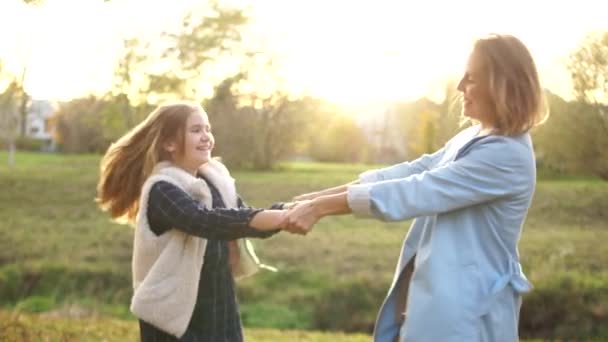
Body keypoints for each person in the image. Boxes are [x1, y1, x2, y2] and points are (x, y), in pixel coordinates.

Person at [284, 34, 548, 341]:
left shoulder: (505, 154)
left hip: (468, 313)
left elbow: (416, 190)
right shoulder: (473, 136)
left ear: (502, 85)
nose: (460, 87)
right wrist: (317, 197)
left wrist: (320, 208)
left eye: (471, 78)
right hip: (434, 299)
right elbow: (414, 170)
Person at [96, 102, 294, 341]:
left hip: (218, 308)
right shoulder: (162, 189)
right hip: (172, 320)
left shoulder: (216, 181)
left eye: (208, 129)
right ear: (169, 143)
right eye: (196, 130)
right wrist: (281, 216)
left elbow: (244, 220)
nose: (206, 137)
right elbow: (203, 221)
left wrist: (288, 212)